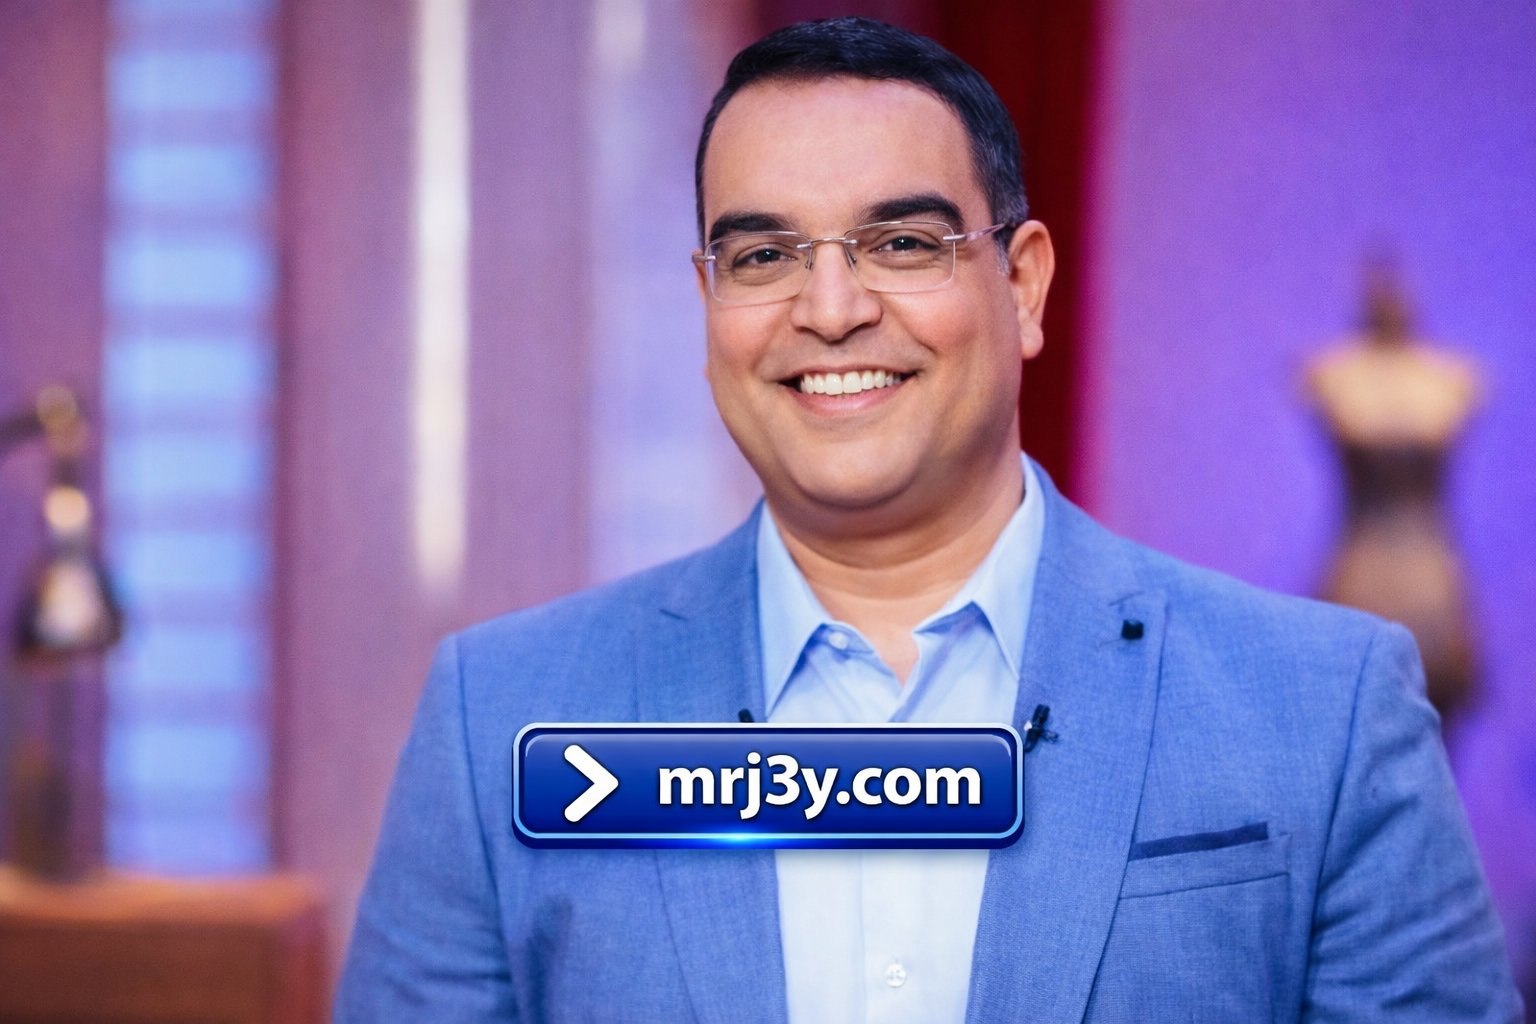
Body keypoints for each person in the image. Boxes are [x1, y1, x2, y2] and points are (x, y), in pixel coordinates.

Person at [337, 18, 1521, 1022]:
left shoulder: (1323, 710)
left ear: (1024, 284)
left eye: (902, 243)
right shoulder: (499, 721)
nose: (830, 309)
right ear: (708, 302)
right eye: (763, 254)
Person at [1306, 264, 1484, 722]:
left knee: (1437, 722)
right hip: (1359, 572)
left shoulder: (1451, 378)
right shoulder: (1333, 375)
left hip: (1431, 578)